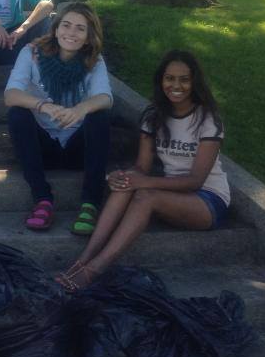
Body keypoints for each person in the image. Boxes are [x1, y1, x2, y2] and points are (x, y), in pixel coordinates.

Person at [56, 49, 230, 291]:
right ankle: (82, 260)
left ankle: (94, 271)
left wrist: (142, 182)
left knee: (145, 194)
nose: (176, 85)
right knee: (128, 181)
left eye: (184, 79)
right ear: (161, 81)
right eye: (170, 78)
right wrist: (123, 176)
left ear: (195, 82)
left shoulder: (207, 119)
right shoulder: (154, 117)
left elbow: (195, 181)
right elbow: (142, 168)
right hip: (174, 196)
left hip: (208, 201)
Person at [4, 2, 112, 234]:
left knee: (99, 116)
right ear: (55, 28)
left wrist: (80, 109)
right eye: (66, 25)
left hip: (77, 146)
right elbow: (11, 95)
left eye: (80, 28)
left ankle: (90, 203)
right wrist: (42, 105)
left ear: (88, 35)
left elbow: (105, 97)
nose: (71, 33)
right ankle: (42, 200)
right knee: (17, 114)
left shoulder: (94, 60)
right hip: (43, 147)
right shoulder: (31, 53)